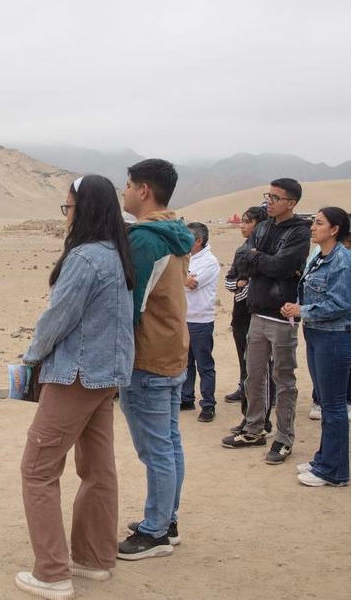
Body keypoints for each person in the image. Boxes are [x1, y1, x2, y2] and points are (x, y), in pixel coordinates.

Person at [15, 175, 135, 600]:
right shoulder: (115, 255)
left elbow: (57, 318)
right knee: (98, 469)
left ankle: (51, 574)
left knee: (38, 469)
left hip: (76, 376)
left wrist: (30, 357)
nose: (66, 217)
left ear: (82, 209)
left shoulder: (84, 258)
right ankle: (94, 557)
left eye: (67, 208)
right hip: (105, 377)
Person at [117, 158, 195, 560]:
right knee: (169, 442)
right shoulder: (176, 231)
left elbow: (131, 304)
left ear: (144, 190)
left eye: (128, 184)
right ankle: (168, 520)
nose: (125, 191)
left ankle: (156, 532)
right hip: (172, 349)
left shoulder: (146, 239)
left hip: (148, 356)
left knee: (156, 450)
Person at [221, 179, 311, 465]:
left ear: (291, 202)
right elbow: (245, 261)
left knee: (283, 380)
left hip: (282, 315)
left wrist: (258, 257)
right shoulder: (261, 227)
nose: (269, 201)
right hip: (255, 312)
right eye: (267, 195)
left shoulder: (299, 231)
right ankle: (254, 429)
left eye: (275, 197)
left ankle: (284, 438)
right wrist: (261, 258)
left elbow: (281, 266)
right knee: (253, 375)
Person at [280, 207, 350, 487]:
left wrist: (302, 309)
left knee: (333, 405)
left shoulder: (343, 261)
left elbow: (341, 303)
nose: (312, 227)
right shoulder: (317, 257)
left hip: (334, 337)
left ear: (334, 229)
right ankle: (324, 459)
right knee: (325, 401)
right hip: (316, 334)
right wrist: (297, 309)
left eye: (319, 223)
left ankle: (335, 471)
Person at [224, 208, 275, 434]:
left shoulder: (270, 251)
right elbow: (229, 281)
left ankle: (262, 419)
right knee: (247, 369)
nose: (242, 226)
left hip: (262, 316)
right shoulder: (241, 251)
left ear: (260, 225)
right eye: (241, 221)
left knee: (262, 371)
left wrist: (246, 288)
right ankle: (249, 417)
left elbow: (264, 284)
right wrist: (240, 287)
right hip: (241, 317)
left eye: (247, 222)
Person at [179, 222, 220, 422]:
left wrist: (182, 279)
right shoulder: (184, 257)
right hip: (183, 318)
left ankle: (208, 404)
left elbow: (192, 284)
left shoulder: (209, 261)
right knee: (186, 363)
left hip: (201, 320)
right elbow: (174, 281)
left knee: (204, 364)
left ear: (198, 241)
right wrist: (182, 278)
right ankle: (186, 397)